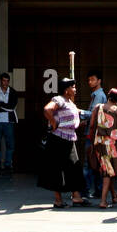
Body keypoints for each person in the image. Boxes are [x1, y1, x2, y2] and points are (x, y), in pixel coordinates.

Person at [39, 77, 88, 207]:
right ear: (66, 90)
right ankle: (58, 200)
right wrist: (54, 123)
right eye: (73, 87)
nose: (75, 89)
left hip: (69, 139)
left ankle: (76, 196)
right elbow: (47, 110)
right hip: (58, 139)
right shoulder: (59, 99)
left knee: (74, 167)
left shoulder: (70, 102)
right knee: (57, 169)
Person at [88, 88, 117, 208]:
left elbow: (91, 126)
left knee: (108, 170)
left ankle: (114, 196)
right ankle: (103, 201)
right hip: (112, 146)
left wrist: (91, 141)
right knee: (107, 173)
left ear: (108, 96)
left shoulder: (98, 107)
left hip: (99, 143)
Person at [83, 69, 107, 197]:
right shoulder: (96, 95)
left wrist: (79, 112)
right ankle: (97, 190)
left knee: (89, 163)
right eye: (89, 80)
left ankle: (86, 190)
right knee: (96, 163)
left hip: (93, 134)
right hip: (94, 133)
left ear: (99, 81)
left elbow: (94, 114)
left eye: (92, 79)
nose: (90, 82)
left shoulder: (98, 95)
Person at [0, 72, 19, 173]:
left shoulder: (13, 92)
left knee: (10, 144)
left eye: (7, 81)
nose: (5, 83)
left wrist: (1, 105)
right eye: (3, 81)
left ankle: (8, 164)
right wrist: (6, 106)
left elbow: (13, 106)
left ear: (9, 81)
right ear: (0, 81)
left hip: (9, 120)